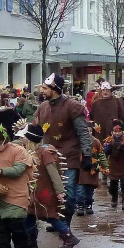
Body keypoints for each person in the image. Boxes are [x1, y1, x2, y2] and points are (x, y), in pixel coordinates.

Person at [33, 74, 92, 226]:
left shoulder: (73, 106)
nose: (42, 91)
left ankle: (65, 225)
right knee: (51, 191)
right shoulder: (42, 107)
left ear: (55, 89)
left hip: (69, 156)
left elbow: (83, 132)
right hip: (48, 156)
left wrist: (87, 154)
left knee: (68, 194)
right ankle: (57, 221)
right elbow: (36, 131)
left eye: (45, 88)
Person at [17, 123, 80, 248]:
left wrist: (60, 191)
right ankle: (30, 241)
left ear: (30, 139)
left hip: (45, 193)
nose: (22, 140)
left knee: (50, 216)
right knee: (30, 215)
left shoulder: (44, 153)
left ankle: (69, 237)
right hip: (34, 192)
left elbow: (54, 174)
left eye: (24, 138)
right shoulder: (30, 153)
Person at [76, 120, 107, 216]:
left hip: (92, 170)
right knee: (80, 190)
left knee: (89, 190)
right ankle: (80, 205)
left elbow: (101, 155)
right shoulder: (77, 142)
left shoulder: (95, 142)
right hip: (80, 169)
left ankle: (88, 204)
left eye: (89, 131)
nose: (88, 133)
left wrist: (104, 166)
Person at [104, 119, 124, 210]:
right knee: (113, 185)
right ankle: (114, 198)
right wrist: (109, 146)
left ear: (122, 131)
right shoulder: (109, 140)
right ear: (112, 132)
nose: (117, 133)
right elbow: (106, 151)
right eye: (115, 131)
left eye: (119, 131)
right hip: (113, 166)